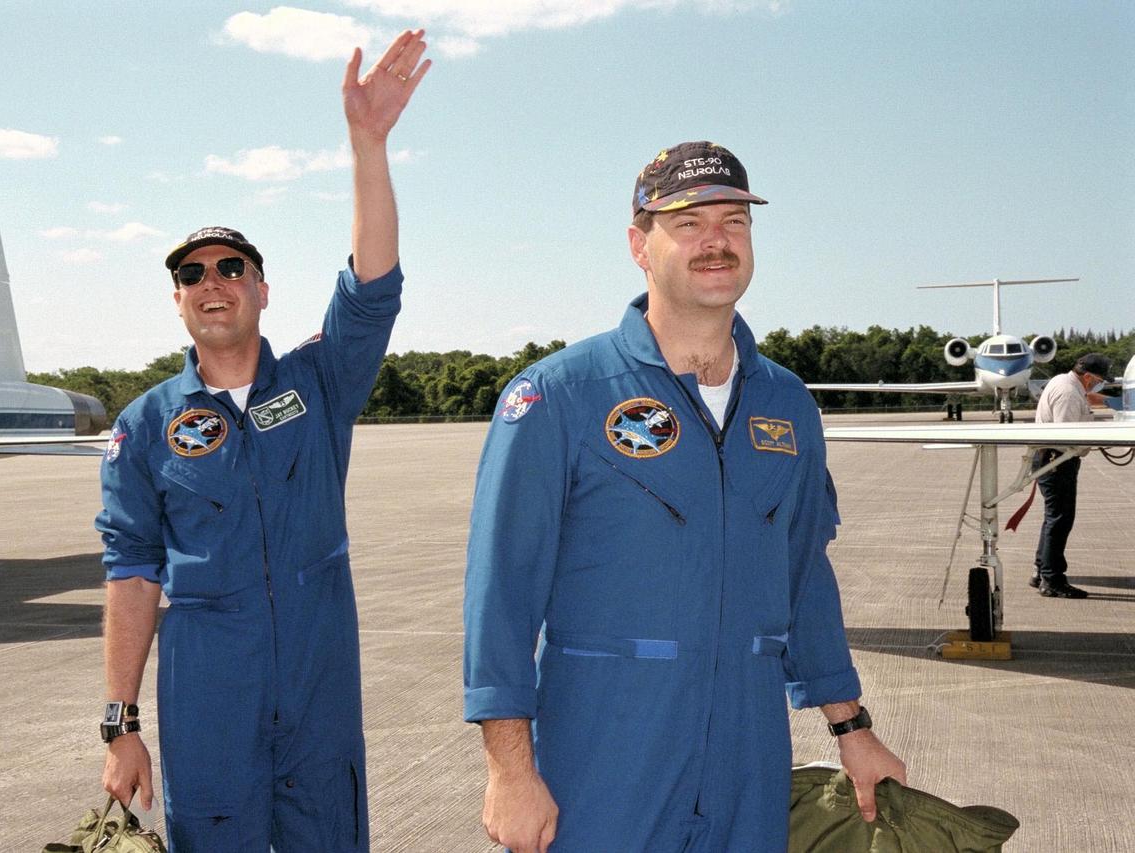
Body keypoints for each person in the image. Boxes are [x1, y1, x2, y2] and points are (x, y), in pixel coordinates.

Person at [463, 141, 906, 852]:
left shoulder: (787, 403)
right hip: (604, 750)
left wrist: (851, 727)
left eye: (734, 221)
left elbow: (802, 576)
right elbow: (502, 595)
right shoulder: (560, 395)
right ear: (640, 245)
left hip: (748, 752)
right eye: (688, 223)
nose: (716, 241)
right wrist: (509, 770)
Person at [94, 30, 429, 852]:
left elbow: (373, 289)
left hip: (320, 692)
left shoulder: (319, 383)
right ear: (178, 301)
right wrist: (120, 723)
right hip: (209, 697)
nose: (212, 282)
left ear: (263, 288)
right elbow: (132, 571)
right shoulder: (144, 426)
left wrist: (368, 146)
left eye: (231, 267)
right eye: (192, 274)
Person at [1030, 352, 1112, 599]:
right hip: (1057, 460)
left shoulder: (1064, 383)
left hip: (1053, 459)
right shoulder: (1068, 392)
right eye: (1098, 381)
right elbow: (1067, 436)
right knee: (1060, 519)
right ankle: (1052, 579)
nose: (1098, 386)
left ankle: (1041, 570)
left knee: (1054, 518)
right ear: (1088, 376)